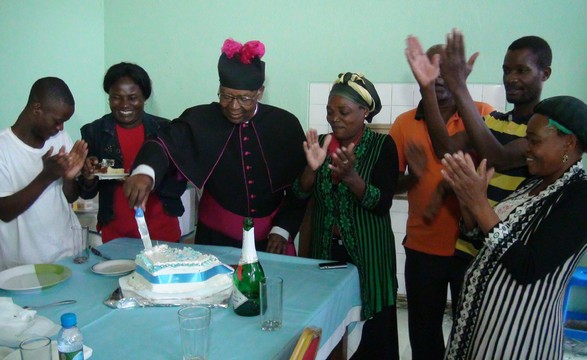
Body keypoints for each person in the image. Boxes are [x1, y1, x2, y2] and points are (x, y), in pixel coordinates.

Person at [124, 39, 306, 254]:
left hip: (271, 243)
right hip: (214, 241)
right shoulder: (200, 118)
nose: (234, 106)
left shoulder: (285, 125)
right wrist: (145, 172)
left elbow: (300, 188)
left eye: (244, 99)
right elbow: (162, 143)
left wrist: (283, 229)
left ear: (260, 93)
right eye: (226, 96)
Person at [441, 96, 587, 359]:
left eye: (534, 141)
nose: (526, 149)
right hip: (484, 331)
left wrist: (480, 205)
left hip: (518, 338)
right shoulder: (532, 184)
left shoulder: (580, 195)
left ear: (569, 142)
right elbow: (484, 241)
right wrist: (470, 204)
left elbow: (528, 267)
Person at [408, 29, 552, 259]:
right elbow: (444, 149)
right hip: (469, 247)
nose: (511, 78)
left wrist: (458, 87)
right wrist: (427, 89)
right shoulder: (494, 121)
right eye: (506, 70)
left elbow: (499, 158)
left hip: (506, 253)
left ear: (545, 74)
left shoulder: (543, 131)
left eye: (522, 70)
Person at [392, 42, 494, 360]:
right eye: (430, 69)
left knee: (472, 334)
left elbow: (491, 172)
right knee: (424, 334)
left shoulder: (483, 114)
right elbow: (391, 183)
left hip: (472, 249)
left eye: (443, 69)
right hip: (423, 248)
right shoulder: (404, 123)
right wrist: (415, 175)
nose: (437, 77)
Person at [294, 72, 399, 359]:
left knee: (374, 332)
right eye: (330, 111)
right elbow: (299, 194)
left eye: (344, 112)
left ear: (365, 112)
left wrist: (352, 178)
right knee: (328, 325)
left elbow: (382, 203)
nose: (334, 118)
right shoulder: (322, 144)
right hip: (327, 252)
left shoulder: (382, 147)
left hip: (369, 254)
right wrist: (311, 169)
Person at [77, 62, 184, 243]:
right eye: (116, 97)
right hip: (116, 233)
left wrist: (148, 178)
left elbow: (179, 183)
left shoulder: (165, 130)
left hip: (162, 230)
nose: (124, 105)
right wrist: (88, 177)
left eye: (133, 97)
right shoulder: (94, 132)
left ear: (144, 98)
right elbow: (87, 193)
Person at [0, 77, 88, 270]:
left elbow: (69, 197)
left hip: (68, 255)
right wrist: (46, 176)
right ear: (37, 108)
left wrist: (69, 178)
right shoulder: (3, 148)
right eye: (58, 121)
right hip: (24, 267)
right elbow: (4, 212)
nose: (61, 128)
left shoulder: (59, 138)